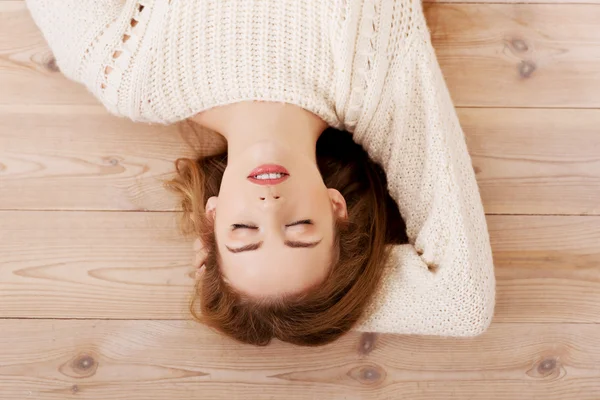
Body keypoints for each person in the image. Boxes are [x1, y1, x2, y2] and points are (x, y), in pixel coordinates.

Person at [26, 0, 496, 346]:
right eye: (300, 229)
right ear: (337, 208)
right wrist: (317, 300)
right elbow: (462, 302)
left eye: (244, 232)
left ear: (211, 218)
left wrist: (249, 295)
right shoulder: (374, 74)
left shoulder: (125, 68)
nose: (270, 209)